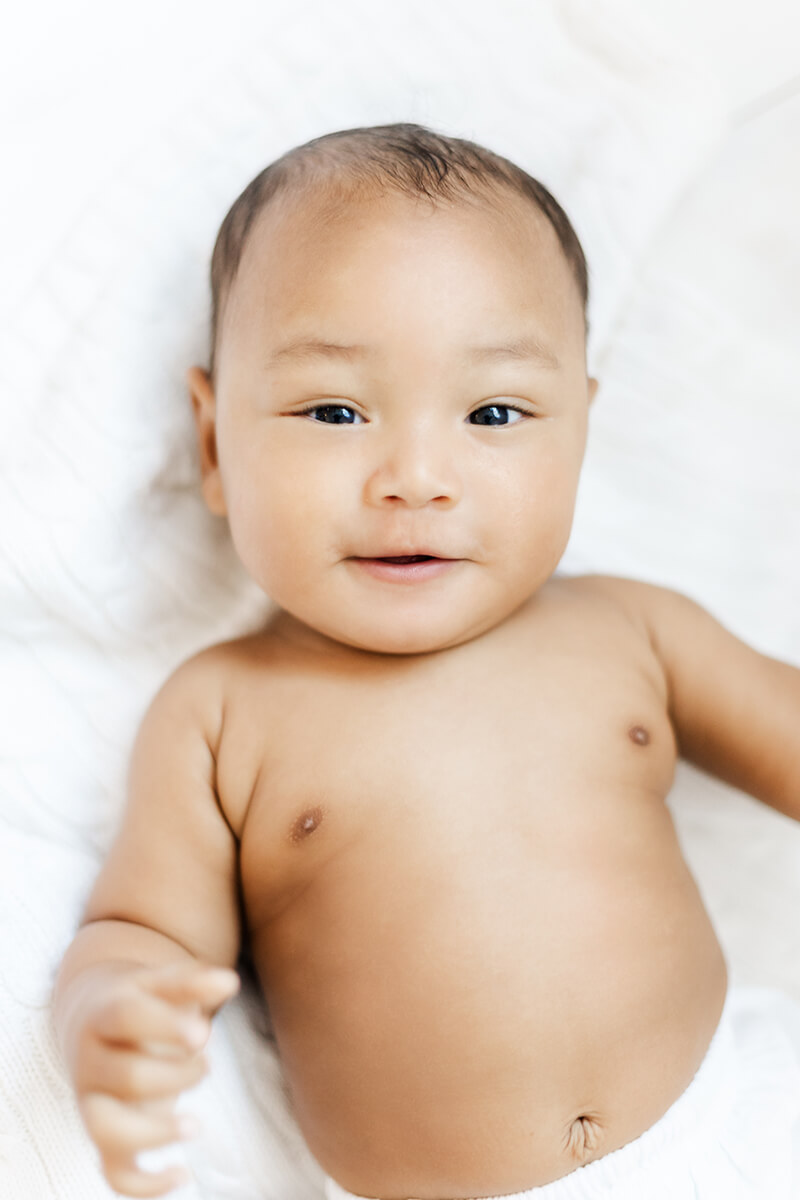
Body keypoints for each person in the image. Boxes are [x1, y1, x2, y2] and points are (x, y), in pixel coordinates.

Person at [52, 122, 800, 1200]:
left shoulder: (631, 631)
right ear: (214, 446)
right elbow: (141, 926)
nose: (413, 478)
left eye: (493, 412)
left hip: (743, 1120)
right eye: (334, 410)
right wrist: (109, 1014)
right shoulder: (223, 713)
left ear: (578, 431)